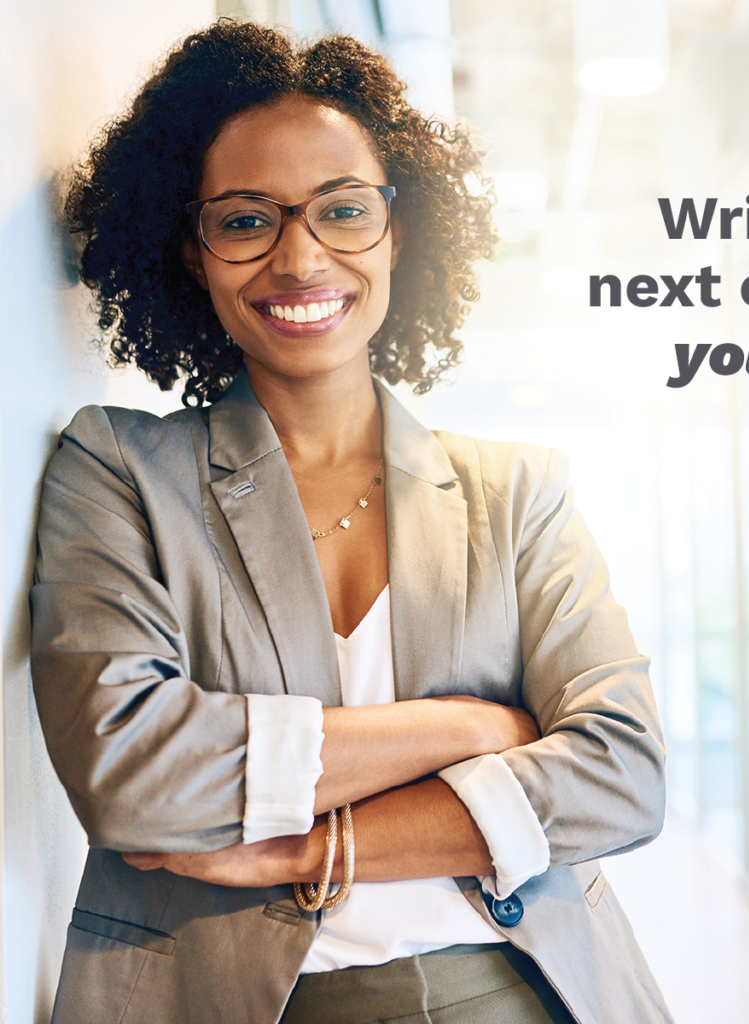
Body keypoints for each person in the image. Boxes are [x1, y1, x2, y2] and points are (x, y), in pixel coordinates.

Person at [31, 20, 671, 1024]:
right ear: (191, 252)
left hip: (517, 989)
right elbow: (132, 774)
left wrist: (303, 849)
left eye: (342, 210)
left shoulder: (516, 493)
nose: (300, 256)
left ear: (397, 231)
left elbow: (622, 774)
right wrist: (468, 728)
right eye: (246, 221)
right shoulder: (120, 471)